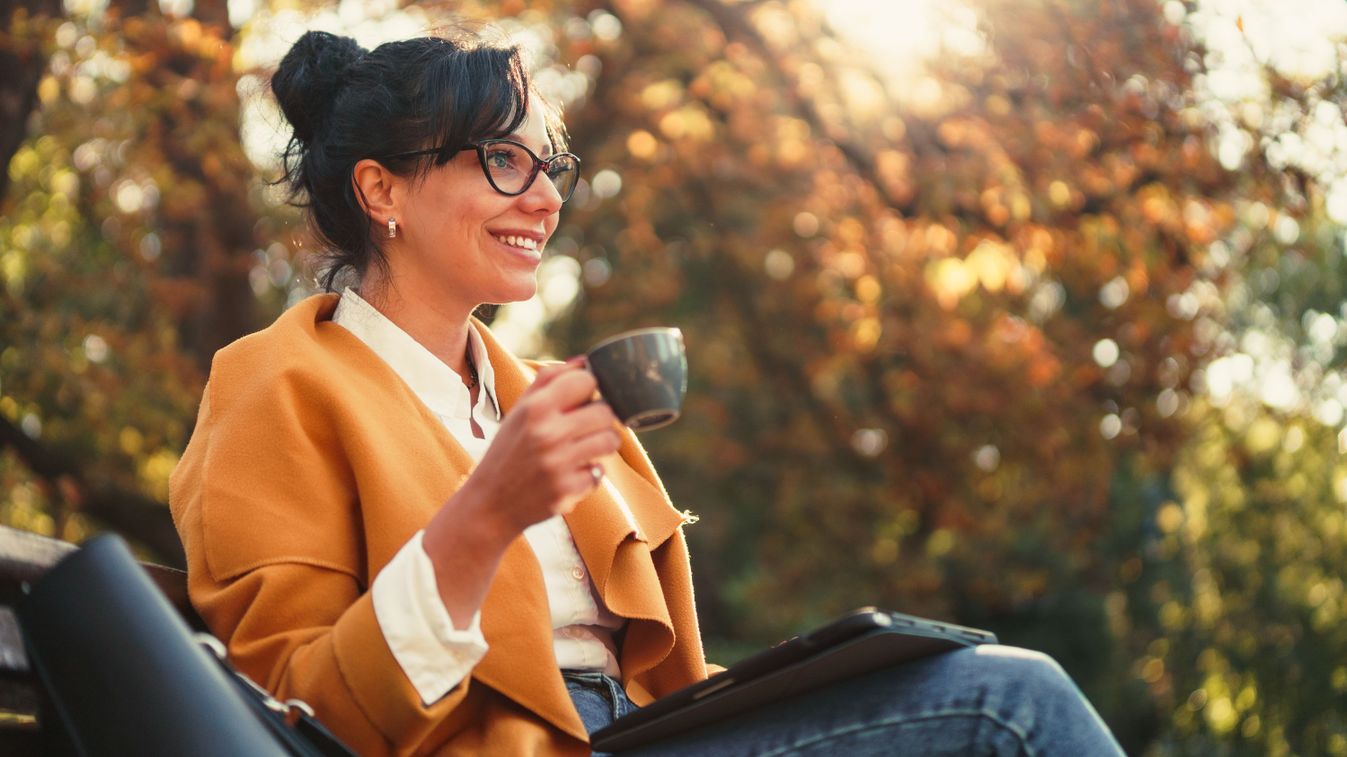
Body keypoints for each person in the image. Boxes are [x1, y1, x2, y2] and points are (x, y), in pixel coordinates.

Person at [168, 27, 1125, 756]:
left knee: (969, 674)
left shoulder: (557, 399)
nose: (545, 197)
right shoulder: (275, 385)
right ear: (382, 192)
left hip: (651, 733)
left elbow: (673, 681)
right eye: (503, 158)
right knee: (1009, 705)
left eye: (553, 166)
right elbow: (297, 712)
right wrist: (484, 514)